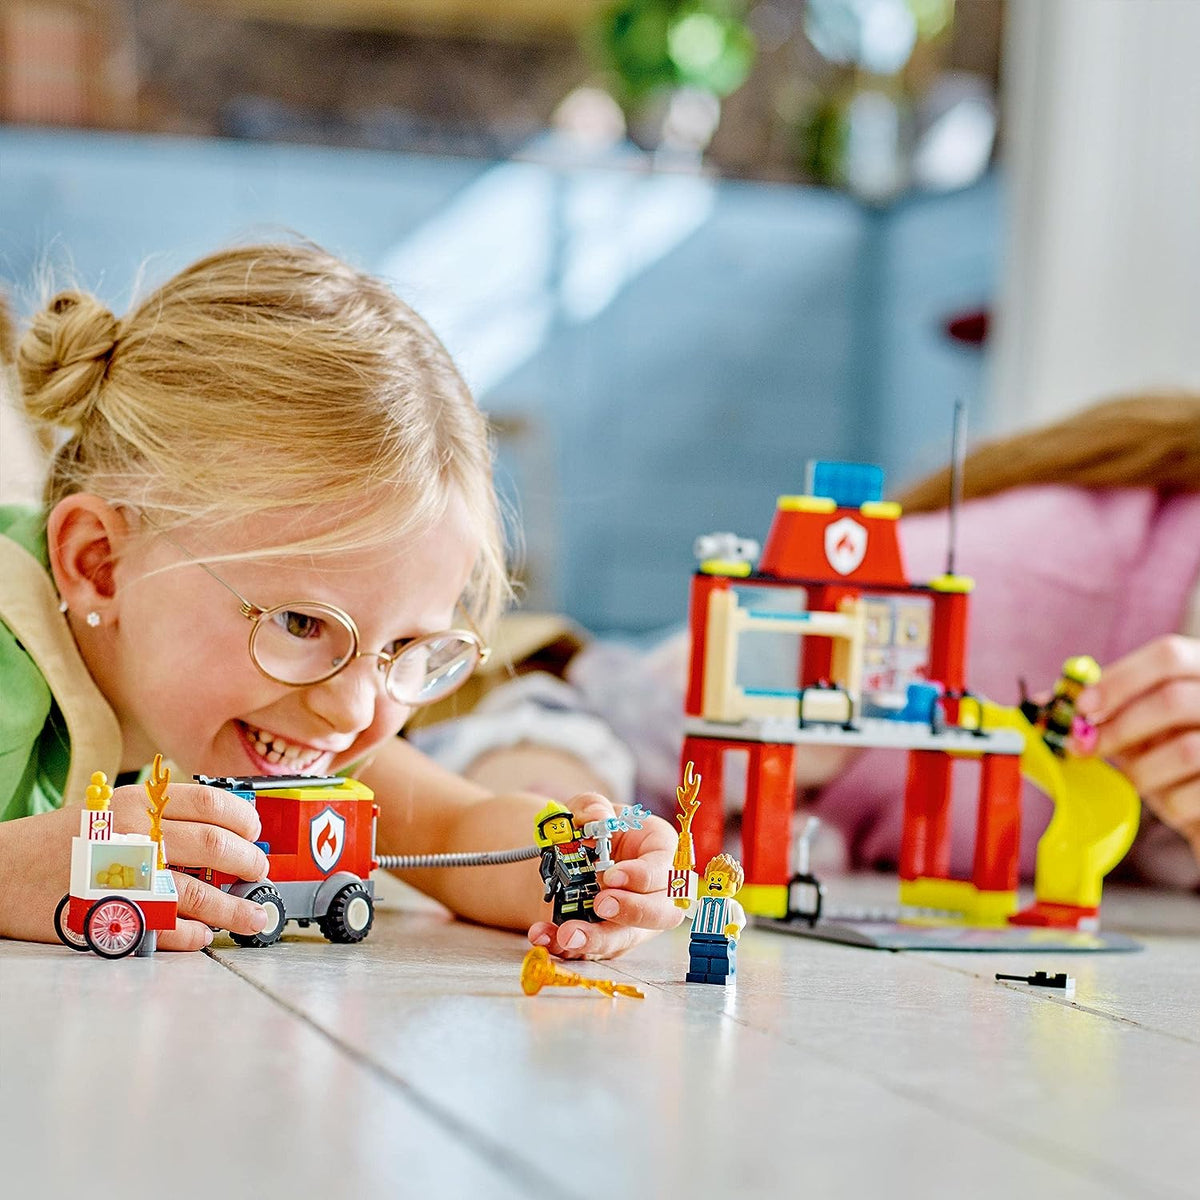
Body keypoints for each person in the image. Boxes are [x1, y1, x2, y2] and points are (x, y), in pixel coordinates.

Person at [0, 242, 679, 958]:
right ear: (100, 563)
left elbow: (454, 831)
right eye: (300, 622)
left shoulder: (274, 721)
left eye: (403, 649)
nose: (354, 710)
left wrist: (590, 879)